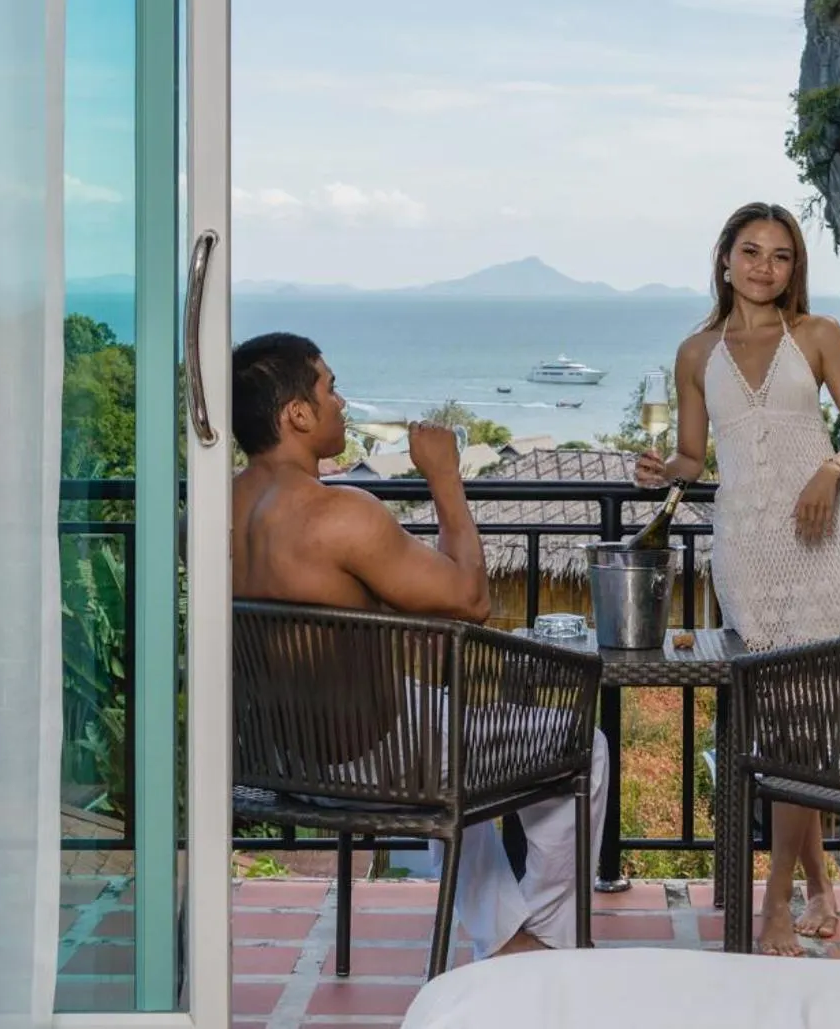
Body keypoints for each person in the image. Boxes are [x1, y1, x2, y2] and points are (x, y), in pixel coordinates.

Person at [230, 331, 609, 961]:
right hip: (374, 761)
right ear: (296, 413)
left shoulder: (213, 511)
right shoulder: (340, 515)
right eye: (329, 387)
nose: (341, 401)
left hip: (277, 756)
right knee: (584, 747)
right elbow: (470, 599)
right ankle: (550, 948)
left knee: (448, 732)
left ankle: (510, 938)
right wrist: (445, 477)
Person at [633, 203, 840, 955]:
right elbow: (694, 455)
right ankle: (820, 881)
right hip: (743, 544)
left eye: (780, 256)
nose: (764, 267)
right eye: (751, 252)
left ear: (793, 268)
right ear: (725, 259)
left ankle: (775, 903)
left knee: (800, 724)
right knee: (779, 722)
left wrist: (830, 470)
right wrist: (663, 470)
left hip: (822, 537)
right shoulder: (695, 351)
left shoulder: (819, 336)